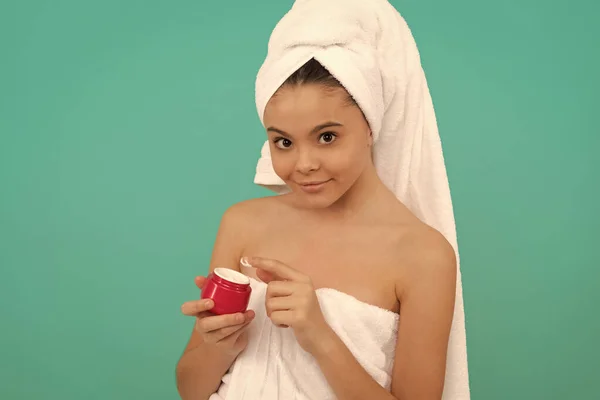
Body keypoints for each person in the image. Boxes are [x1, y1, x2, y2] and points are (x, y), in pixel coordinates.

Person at [176, 0, 469, 399]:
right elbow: (191, 390)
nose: (304, 164)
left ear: (370, 125)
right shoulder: (243, 224)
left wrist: (320, 337)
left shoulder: (422, 254)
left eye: (327, 136)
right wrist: (218, 344)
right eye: (283, 141)